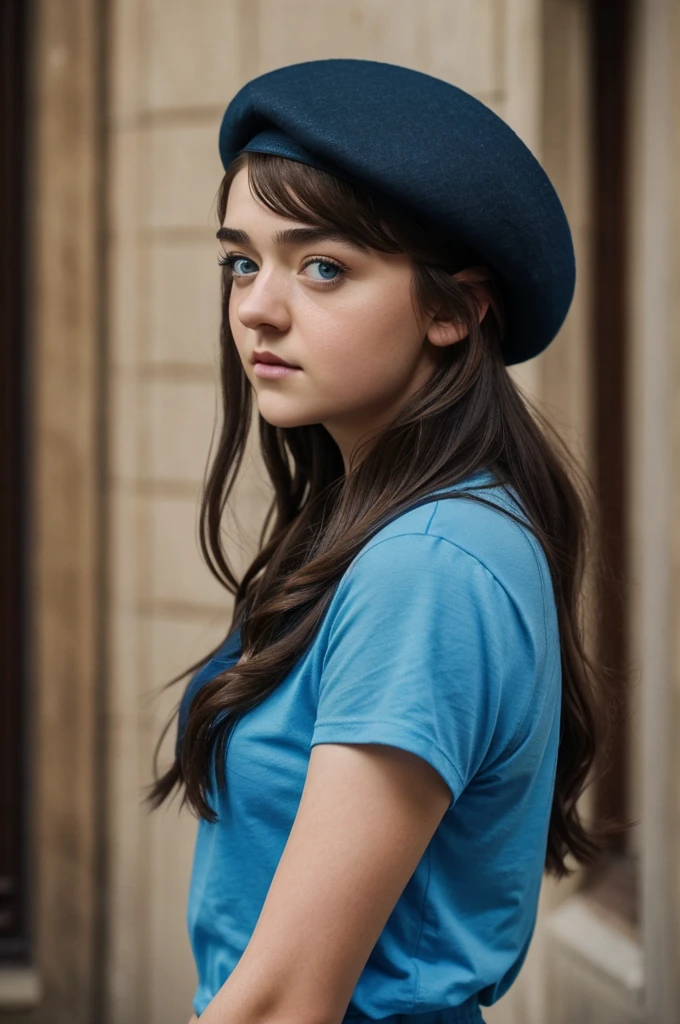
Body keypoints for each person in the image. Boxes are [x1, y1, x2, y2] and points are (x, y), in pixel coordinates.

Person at [144, 59, 625, 1024]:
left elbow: (286, 1002)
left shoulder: (428, 566)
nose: (257, 307)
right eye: (243, 260)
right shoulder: (400, 531)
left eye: (323, 267)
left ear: (454, 310)